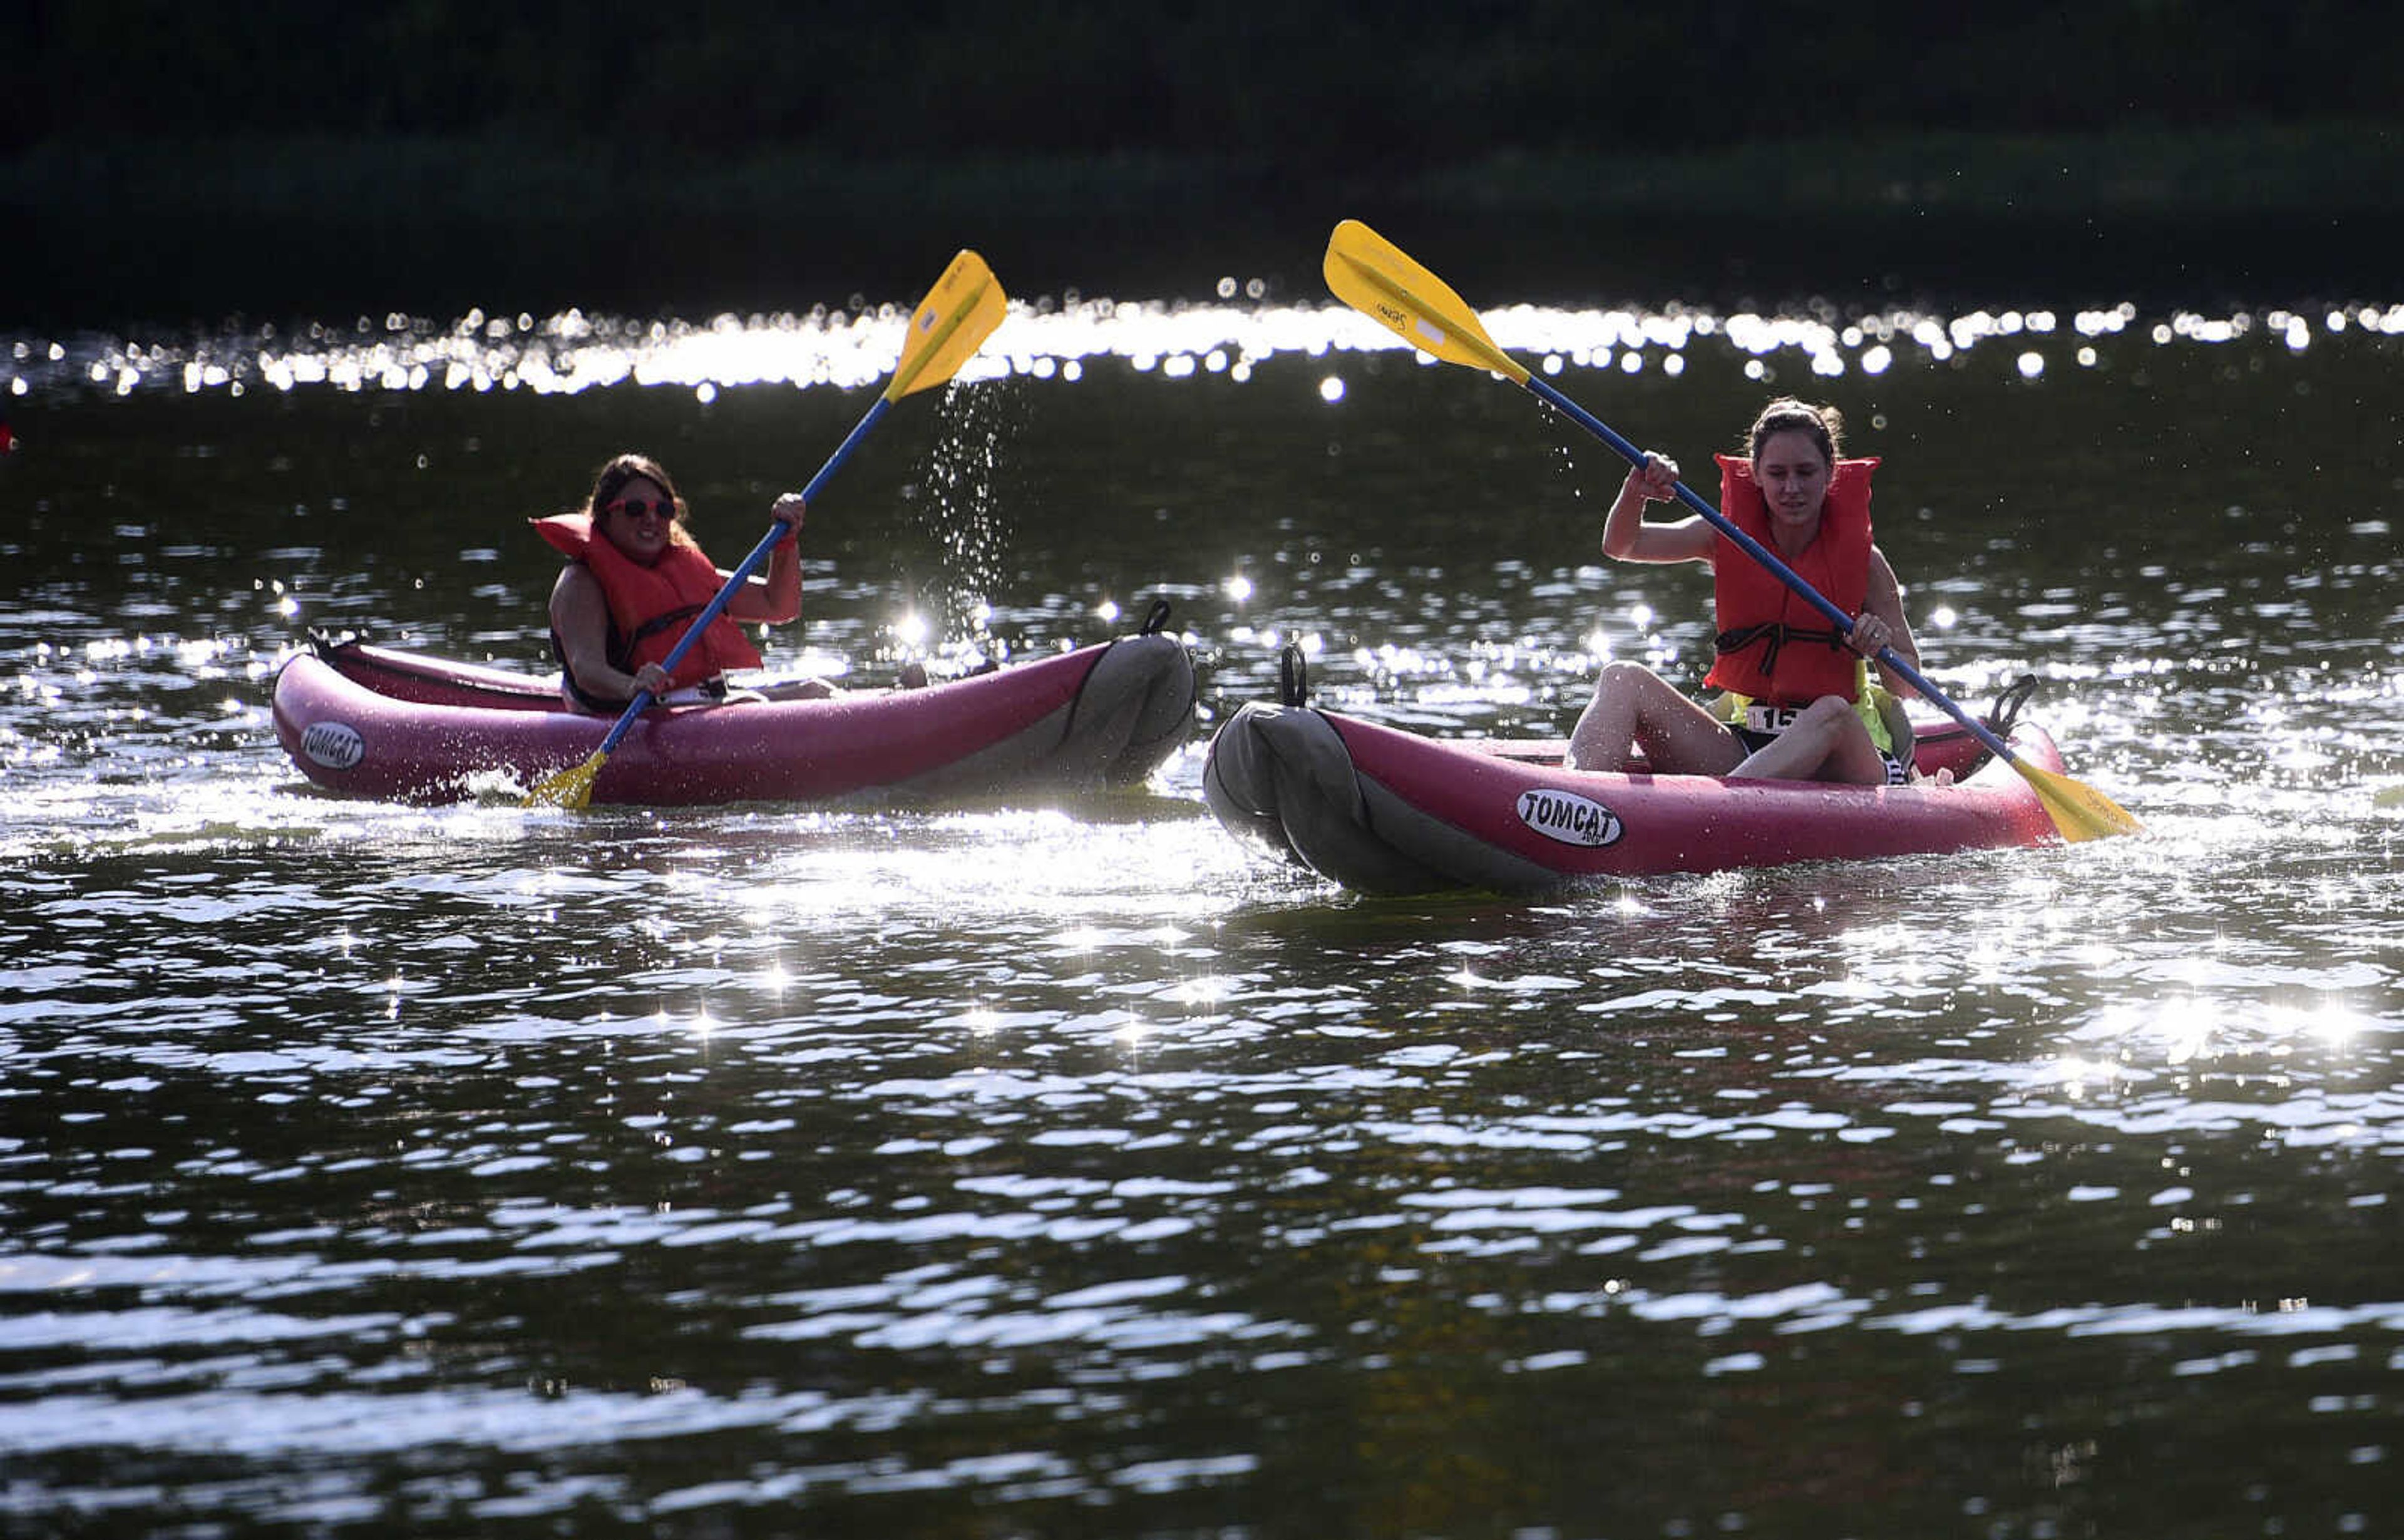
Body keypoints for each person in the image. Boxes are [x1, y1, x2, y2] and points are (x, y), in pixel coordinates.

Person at [1564, 399, 1932, 785]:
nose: (1792, 488)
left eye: (1806, 472)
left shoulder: (1865, 562)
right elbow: (1623, 545)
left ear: (1830, 474)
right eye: (1777, 473)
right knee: (1623, 678)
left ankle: (1718, 808)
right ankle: (1579, 799)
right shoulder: (1725, 539)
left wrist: (1881, 649)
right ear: (1756, 474)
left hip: (1846, 759)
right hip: (1748, 747)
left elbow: (1907, 687)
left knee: (1832, 712)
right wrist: (1636, 491)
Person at [533, 453, 829, 713]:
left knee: (817, 690)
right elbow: (587, 670)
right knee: (752, 706)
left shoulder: (682, 572)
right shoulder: (581, 583)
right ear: (605, 515)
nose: (651, 519)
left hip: (694, 704)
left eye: (662, 510)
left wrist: (786, 541)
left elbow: (777, 606)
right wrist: (632, 685)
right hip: (627, 714)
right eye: (635, 509)